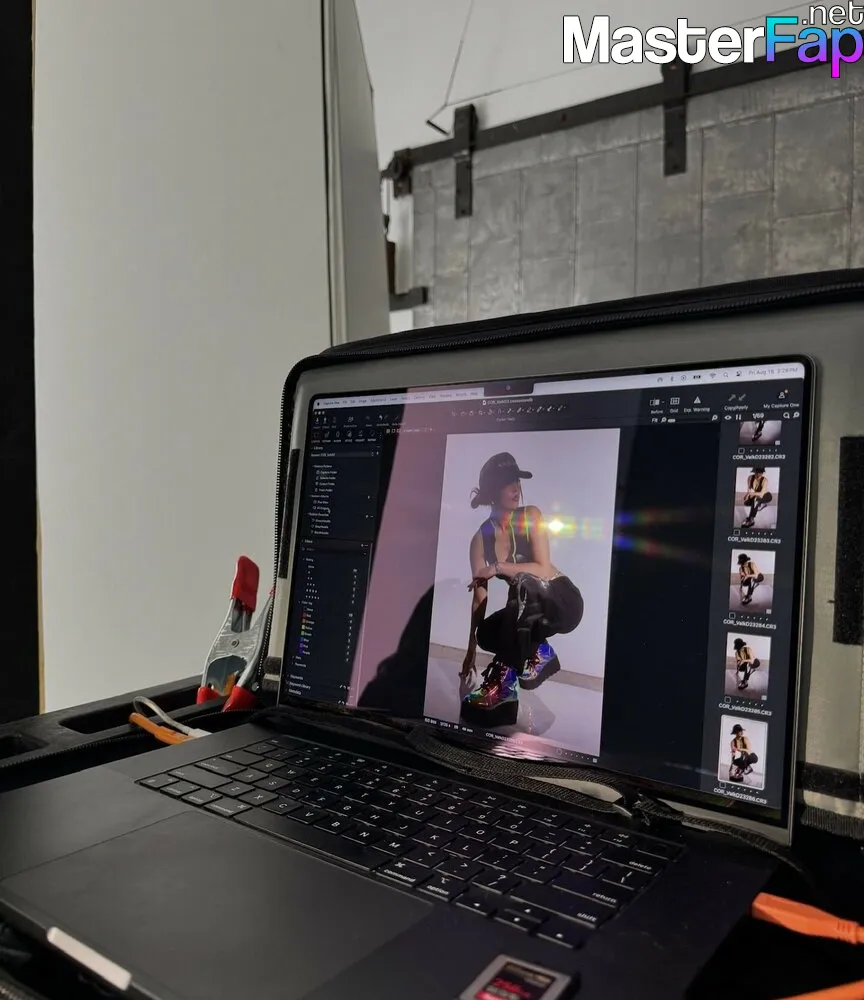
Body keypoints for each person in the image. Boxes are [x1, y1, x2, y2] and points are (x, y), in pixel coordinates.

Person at [459, 452, 583, 727]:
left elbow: (542, 568)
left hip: (562, 601)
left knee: (523, 582)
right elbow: (479, 598)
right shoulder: (480, 539)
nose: (516, 488)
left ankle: (502, 682)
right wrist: (470, 649)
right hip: (527, 608)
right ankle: (536, 654)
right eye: (508, 482)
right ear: (493, 489)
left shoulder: (531, 515)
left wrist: (497, 567)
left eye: (517, 481)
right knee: (487, 632)